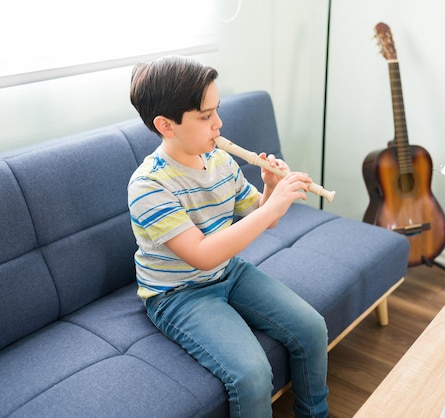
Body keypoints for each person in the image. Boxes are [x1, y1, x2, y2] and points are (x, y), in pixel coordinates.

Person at [127, 55, 329, 418]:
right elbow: (201, 254)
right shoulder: (148, 185)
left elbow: (261, 219)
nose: (218, 124)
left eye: (216, 111)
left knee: (312, 328)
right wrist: (273, 207)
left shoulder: (220, 160)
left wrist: (269, 190)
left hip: (227, 271)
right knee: (252, 375)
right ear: (165, 125)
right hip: (177, 294)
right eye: (205, 117)